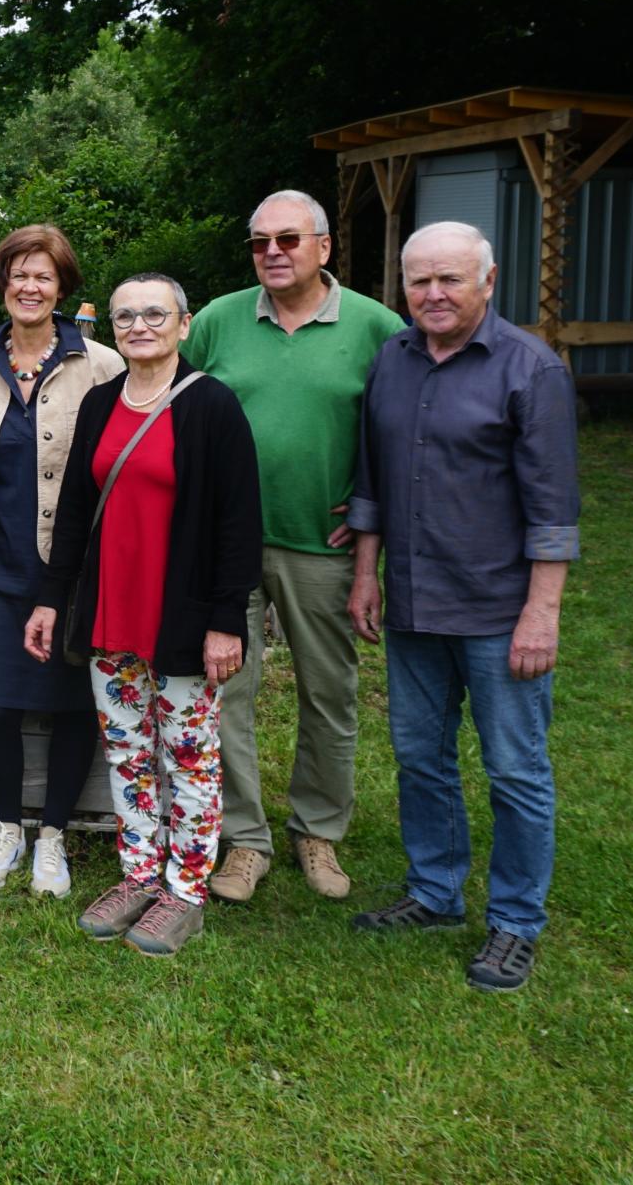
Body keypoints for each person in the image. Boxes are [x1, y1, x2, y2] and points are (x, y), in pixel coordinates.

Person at [346, 222, 578, 994]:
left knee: (515, 769)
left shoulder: (530, 369)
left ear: (488, 280)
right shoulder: (394, 360)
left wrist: (542, 613)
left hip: (496, 609)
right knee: (420, 756)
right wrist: (367, 575)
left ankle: (514, 922)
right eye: (419, 282)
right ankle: (436, 892)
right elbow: (372, 482)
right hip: (412, 603)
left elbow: (553, 507)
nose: (433, 295)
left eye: (449, 280)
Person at [26, 272, 261, 958]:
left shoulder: (213, 407)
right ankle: (137, 877)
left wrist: (227, 620)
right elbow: (73, 515)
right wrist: (50, 595)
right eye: (125, 316)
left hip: (183, 620)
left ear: (184, 325)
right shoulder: (100, 405)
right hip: (113, 613)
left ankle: (184, 890)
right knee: (128, 754)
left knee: (187, 755)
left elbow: (238, 524)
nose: (139, 326)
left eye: (155, 314)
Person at [184, 189, 404, 906]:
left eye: (287, 239)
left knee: (329, 691)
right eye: (259, 242)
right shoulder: (218, 320)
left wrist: (377, 500)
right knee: (226, 693)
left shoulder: (375, 327)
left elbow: (409, 427)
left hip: (322, 543)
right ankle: (243, 840)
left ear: (324, 247)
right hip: (225, 544)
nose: (272, 253)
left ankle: (318, 828)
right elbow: (169, 397)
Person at [0, 226, 122, 897]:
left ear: (62, 287)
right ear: (2, 285)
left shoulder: (100, 364)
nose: (30, 287)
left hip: (67, 567)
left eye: (44, 276)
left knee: (70, 704)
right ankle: (8, 829)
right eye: (19, 275)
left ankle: (55, 839)